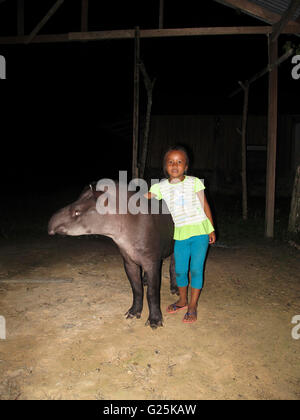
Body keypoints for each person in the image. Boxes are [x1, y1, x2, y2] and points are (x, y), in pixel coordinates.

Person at [145, 145, 216, 323]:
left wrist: (211, 228)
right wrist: (122, 196)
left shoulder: (194, 182)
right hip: (181, 234)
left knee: (196, 270)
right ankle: (183, 300)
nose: (174, 165)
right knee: (180, 271)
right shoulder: (160, 187)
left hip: (200, 231)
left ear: (185, 166)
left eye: (179, 162)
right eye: (170, 162)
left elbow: (205, 205)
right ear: (165, 166)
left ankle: (193, 305)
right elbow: (143, 198)